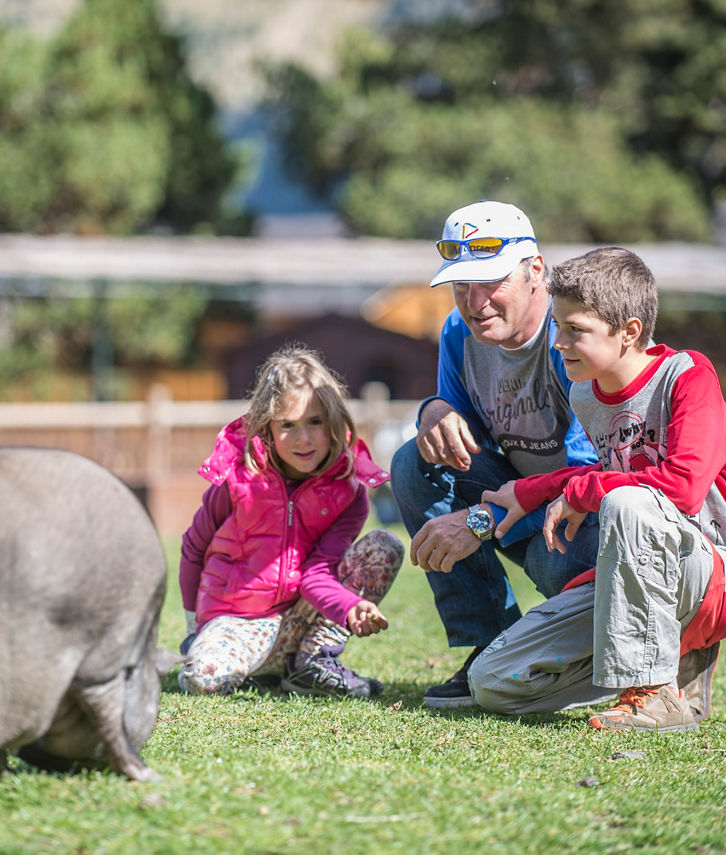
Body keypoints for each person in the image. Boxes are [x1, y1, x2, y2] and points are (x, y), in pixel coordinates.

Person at [472, 246, 726, 729]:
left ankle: (655, 695)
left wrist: (585, 490)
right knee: (494, 682)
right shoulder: (585, 392)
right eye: (558, 326)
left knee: (628, 503)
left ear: (629, 332)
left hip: (719, 572)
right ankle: (660, 668)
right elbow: (617, 470)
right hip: (637, 570)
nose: (558, 343)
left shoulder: (688, 375)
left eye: (575, 330)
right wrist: (531, 491)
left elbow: (684, 487)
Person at [389, 200, 600, 709]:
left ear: (536, 272)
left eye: (491, 282)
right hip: (523, 509)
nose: (474, 300)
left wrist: (482, 520)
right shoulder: (459, 333)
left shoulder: (575, 335)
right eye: (461, 284)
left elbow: (604, 470)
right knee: (414, 463)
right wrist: (434, 410)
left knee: (555, 563)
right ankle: (490, 644)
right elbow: (461, 442)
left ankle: (610, 651)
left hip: (590, 515)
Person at [177, 344, 405, 698]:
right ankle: (232, 662)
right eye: (288, 425)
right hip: (236, 624)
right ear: (266, 427)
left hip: (297, 621)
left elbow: (317, 575)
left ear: (333, 422)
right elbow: (193, 549)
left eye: (315, 422)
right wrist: (195, 627)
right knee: (202, 680)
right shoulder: (236, 481)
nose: (303, 438)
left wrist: (350, 607)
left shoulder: (348, 493)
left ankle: (313, 663)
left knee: (384, 546)